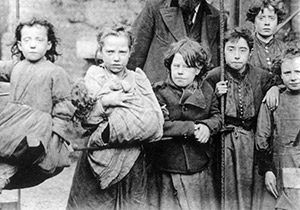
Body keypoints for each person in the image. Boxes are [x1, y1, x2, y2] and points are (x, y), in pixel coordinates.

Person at [67, 25, 164, 210]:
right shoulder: (94, 76)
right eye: (110, 51)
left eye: (122, 51)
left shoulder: (139, 80)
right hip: (98, 159)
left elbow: (154, 122)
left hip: (133, 160)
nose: (117, 58)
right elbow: (86, 121)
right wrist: (106, 102)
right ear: (101, 52)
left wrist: (117, 119)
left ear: (129, 53)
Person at [205, 27, 280, 210]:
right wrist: (215, 94)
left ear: (250, 53)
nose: (236, 56)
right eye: (231, 50)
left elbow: (279, 80)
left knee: (251, 189)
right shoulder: (214, 76)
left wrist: (274, 88)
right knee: (226, 189)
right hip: (224, 143)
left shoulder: (261, 76)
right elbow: (205, 108)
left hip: (252, 141)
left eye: (242, 50)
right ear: (223, 51)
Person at [0, 18, 75, 191]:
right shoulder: (16, 67)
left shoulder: (55, 72)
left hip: (36, 133)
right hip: (12, 129)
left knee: (11, 168)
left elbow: (63, 109)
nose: (32, 45)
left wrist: (56, 139)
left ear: (48, 45)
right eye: (27, 40)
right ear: (19, 45)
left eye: (39, 40)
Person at [146, 38, 221, 210]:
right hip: (167, 166)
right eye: (176, 66)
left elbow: (217, 117)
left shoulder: (206, 90)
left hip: (198, 165)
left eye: (186, 67)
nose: (180, 72)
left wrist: (207, 127)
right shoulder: (158, 92)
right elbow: (159, 125)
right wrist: (192, 128)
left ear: (198, 69)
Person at [127, 0, 224, 83]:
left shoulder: (216, 17)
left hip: (197, 97)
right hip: (158, 91)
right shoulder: (155, 8)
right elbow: (136, 53)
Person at [255, 46, 300, 210]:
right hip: (282, 167)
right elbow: (262, 137)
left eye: (298, 71)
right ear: (280, 75)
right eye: (288, 73)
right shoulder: (274, 99)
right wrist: (267, 170)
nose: (294, 77)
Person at [246, 0, 287, 74]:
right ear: (254, 20)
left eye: (271, 18)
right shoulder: (247, 47)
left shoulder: (284, 49)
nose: (267, 23)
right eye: (261, 18)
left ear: (278, 21)